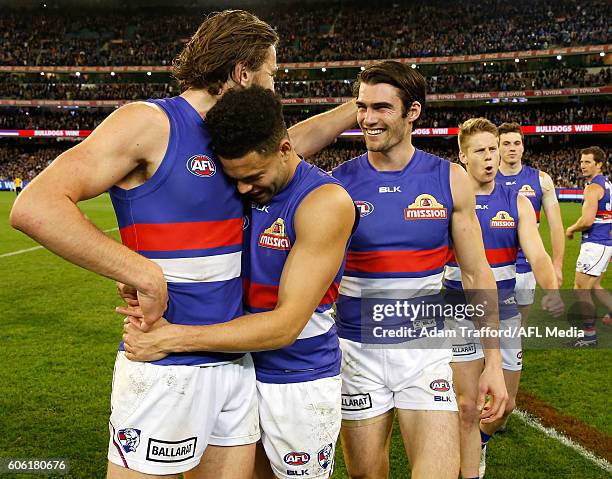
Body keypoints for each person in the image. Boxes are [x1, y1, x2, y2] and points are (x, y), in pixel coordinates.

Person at [10, 10, 356, 478]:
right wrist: (139, 272)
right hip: (168, 363)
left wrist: (364, 105)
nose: (275, 88)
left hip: (235, 366)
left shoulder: (238, 141)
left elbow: (297, 140)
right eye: (271, 75)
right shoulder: (149, 123)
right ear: (242, 73)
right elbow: (36, 205)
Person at [118, 86, 357, 479]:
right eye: (236, 179)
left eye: (253, 177)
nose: (243, 189)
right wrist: (139, 278)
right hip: (236, 367)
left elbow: (284, 326)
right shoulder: (245, 180)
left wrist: (170, 338)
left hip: (297, 378)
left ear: (284, 148)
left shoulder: (323, 202)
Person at [329, 61, 507, 479]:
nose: (368, 119)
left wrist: (493, 364)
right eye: (362, 107)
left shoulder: (450, 178)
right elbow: (284, 147)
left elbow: (477, 275)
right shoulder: (337, 183)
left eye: (382, 108)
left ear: (413, 112)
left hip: (424, 353)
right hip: (357, 353)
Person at [447, 118, 564, 478]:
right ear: (463, 156)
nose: (489, 157)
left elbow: (538, 254)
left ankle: (480, 442)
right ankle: (467, 466)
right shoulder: (448, 200)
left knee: (504, 406)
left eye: (493, 149)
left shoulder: (517, 201)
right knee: (467, 405)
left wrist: (554, 293)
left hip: (505, 314)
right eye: (479, 150)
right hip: (459, 313)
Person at [496, 122, 565, 324]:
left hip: (527, 265)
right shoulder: (484, 179)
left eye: (516, 143)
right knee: (488, 328)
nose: (512, 148)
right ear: (498, 147)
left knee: (518, 328)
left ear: (523, 147)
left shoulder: (542, 180)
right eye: (506, 143)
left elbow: (556, 226)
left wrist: (558, 265)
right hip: (495, 264)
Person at [566, 146, 612, 347]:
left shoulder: (592, 187)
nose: (582, 165)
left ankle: (589, 336)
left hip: (595, 244)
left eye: (587, 162)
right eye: (581, 161)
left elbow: (587, 220)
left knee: (580, 289)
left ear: (599, 164)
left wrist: (571, 228)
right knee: (595, 287)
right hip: (604, 243)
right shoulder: (608, 185)